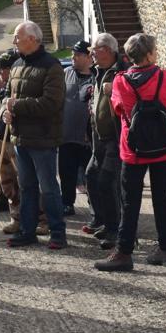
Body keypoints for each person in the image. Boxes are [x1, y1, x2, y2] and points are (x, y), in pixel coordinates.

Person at [94, 33, 166, 272]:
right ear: (150, 54)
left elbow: (117, 109)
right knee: (163, 199)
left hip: (133, 149)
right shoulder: (164, 77)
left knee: (130, 201)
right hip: (163, 146)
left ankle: (124, 252)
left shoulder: (121, 81)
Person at [1, 21, 68, 250]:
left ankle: (58, 232)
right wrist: (5, 113)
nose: (14, 41)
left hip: (43, 139)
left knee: (48, 188)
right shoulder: (17, 64)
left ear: (33, 39)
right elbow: (6, 96)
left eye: (18, 37)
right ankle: (27, 231)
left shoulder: (52, 66)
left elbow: (51, 103)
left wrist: (16, 106)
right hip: (20, 138)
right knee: (26, 188)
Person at [82, 33, 125, 248]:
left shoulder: (121, 72)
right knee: (91, 176)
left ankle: (116, 228)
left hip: (115, 137)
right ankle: (105, 222)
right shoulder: (99, 72)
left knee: (108, 181)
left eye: (95, 50)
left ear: (107, 50)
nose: (91, 54)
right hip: (98, 138)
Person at [60, 40, 95, 217]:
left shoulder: (96, 77)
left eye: (78, 55)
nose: (73, 58)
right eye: (73, 54)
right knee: (66, 172)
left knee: (91, 175)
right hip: (66, 136)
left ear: (89, 57)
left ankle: (94, 205)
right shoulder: (65, 74)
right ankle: (67, 203)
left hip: (88, 139)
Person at [0, 50, 20, 225]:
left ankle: (40, 218)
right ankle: (15, 216)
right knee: (6, 180)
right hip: (0, 135)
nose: (0, 72)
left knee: (22, 180)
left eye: (4, 69)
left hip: (14, 138)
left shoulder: (15, 84)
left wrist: (1, 91)